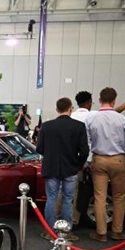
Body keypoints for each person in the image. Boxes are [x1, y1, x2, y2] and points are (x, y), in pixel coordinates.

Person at [85, 87, 125, 242]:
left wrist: (88, 160)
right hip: (118, 160)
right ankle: (117, 231)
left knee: (100, 196)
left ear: (100, 100)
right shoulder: (123, 119)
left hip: (99, 159)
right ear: (114, 101)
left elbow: (87, 142)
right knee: (120, 196)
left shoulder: (91, 118)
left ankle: (101, 233)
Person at [36, 98, 88, 241]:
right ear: (70, 108)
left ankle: (49, 231)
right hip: (71, 168)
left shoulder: (46, 126)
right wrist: (78, 165)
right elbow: (84, 151)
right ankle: (66, 231)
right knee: (68, 200)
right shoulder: (79, 126)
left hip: (51, 167)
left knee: (51, 198)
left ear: (56, 109)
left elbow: (39, 148)